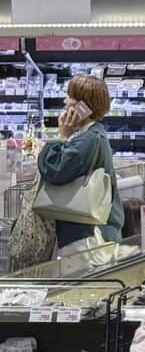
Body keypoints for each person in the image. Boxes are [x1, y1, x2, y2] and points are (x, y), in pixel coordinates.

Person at [36, 75, 124, 256]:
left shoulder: (87, 140)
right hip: (94, 230)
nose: (65, 101)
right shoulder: (93, 135)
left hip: (89, 235)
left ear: (83, 107)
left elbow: (54, 170)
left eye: (70, 97)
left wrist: (61, 136)